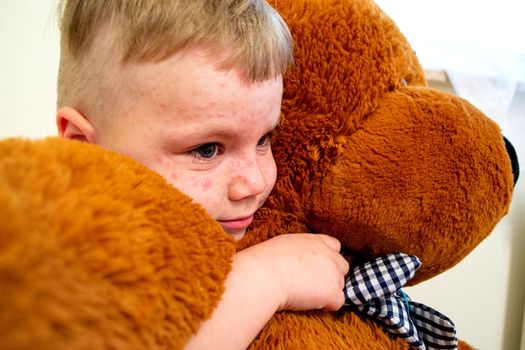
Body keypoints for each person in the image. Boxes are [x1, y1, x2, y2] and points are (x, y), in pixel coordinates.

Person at [56, 0, 349, 348]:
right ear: (83, 149)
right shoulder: (64, 249)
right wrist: (268, 277)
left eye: (264, 139)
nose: (255, 182)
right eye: (206, 149)